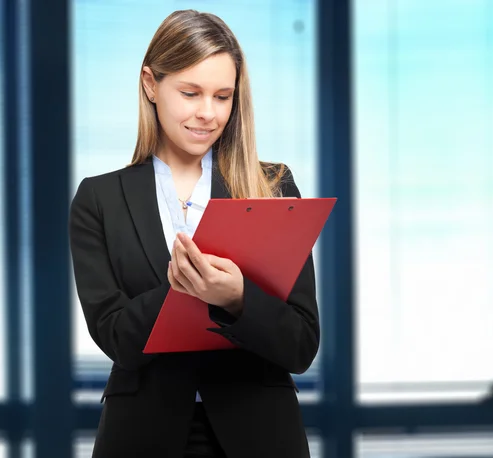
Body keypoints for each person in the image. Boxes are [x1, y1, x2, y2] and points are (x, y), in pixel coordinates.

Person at [69, 10, 319, 458]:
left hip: (261, 432)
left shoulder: (272, 186)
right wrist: (182, 286)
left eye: (223, 97)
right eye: (190, 93)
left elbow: (301, 345)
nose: (208, 114)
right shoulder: (98, 199)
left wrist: (238, 297)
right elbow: (116, 337)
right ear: (150, 84)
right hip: (142, 435)